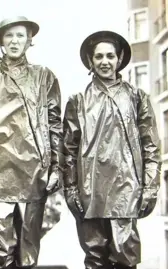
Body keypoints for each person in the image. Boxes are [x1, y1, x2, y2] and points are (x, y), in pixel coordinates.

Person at [0, 16, 63, 269]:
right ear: (0, 42)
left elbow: (54, 125)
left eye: (20, 35)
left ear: (30, 40)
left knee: (28, 251)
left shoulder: (43, 77)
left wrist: (56, 167)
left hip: (34, 174)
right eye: (9, 36)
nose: (14, 41)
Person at [62, 30, 162, 269]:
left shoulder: (137, 97)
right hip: (90, 192)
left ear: (119, 59)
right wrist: (71, 189)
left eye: (110, 56)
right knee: (94, 257)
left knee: (125, 257)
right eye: (98, 57)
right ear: (90, 61)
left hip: (126, 190)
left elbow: (151, 147)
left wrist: (150, 187)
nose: (104, 62)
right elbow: (68, 149)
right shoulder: (78, 101)